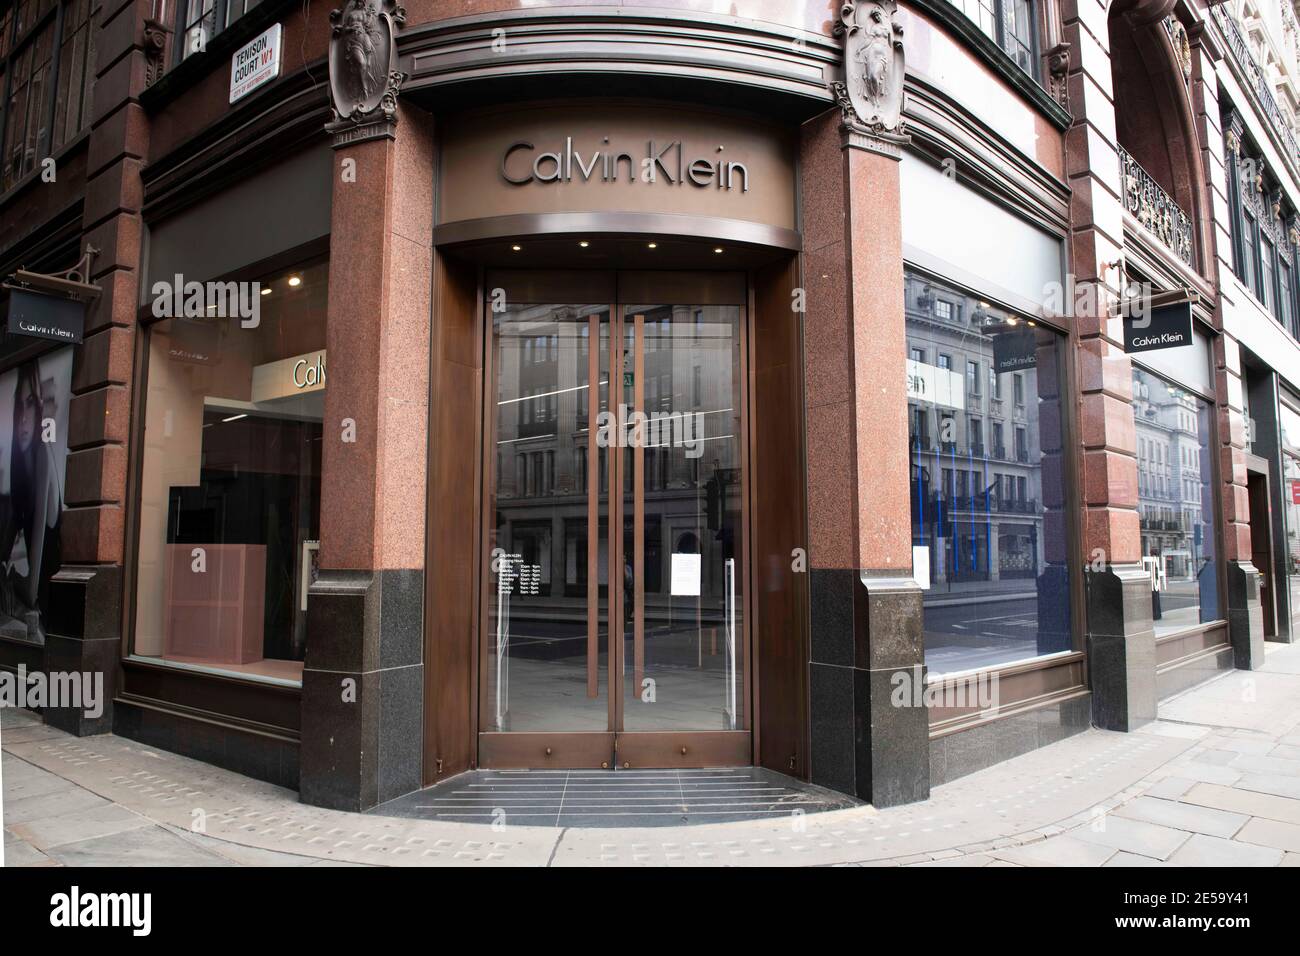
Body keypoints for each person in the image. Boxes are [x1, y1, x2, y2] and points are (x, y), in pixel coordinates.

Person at [0, 360, 63, 642]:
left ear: (38, 409)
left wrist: (11, 578)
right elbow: (8, 536)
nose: (23, 418)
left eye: (30, 403)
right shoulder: (18, 464)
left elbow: (34, 584)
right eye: (19, 405)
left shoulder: (42, 458)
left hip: (48, 607)